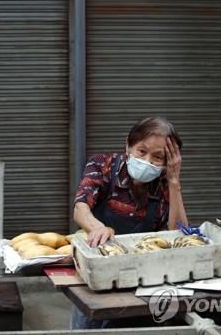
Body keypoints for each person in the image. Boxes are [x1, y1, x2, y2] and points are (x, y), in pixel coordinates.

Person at [70, 116, 188, 329]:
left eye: (158, 157)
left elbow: (179, 233)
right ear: (128, 145)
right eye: (141, 151)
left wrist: (174, 181)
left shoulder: (163, 184)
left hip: (142, 278)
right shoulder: (102, 165)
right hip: (99, 270)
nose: (147, 161)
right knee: (90, 326)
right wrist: (98, 228)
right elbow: (80, 208)